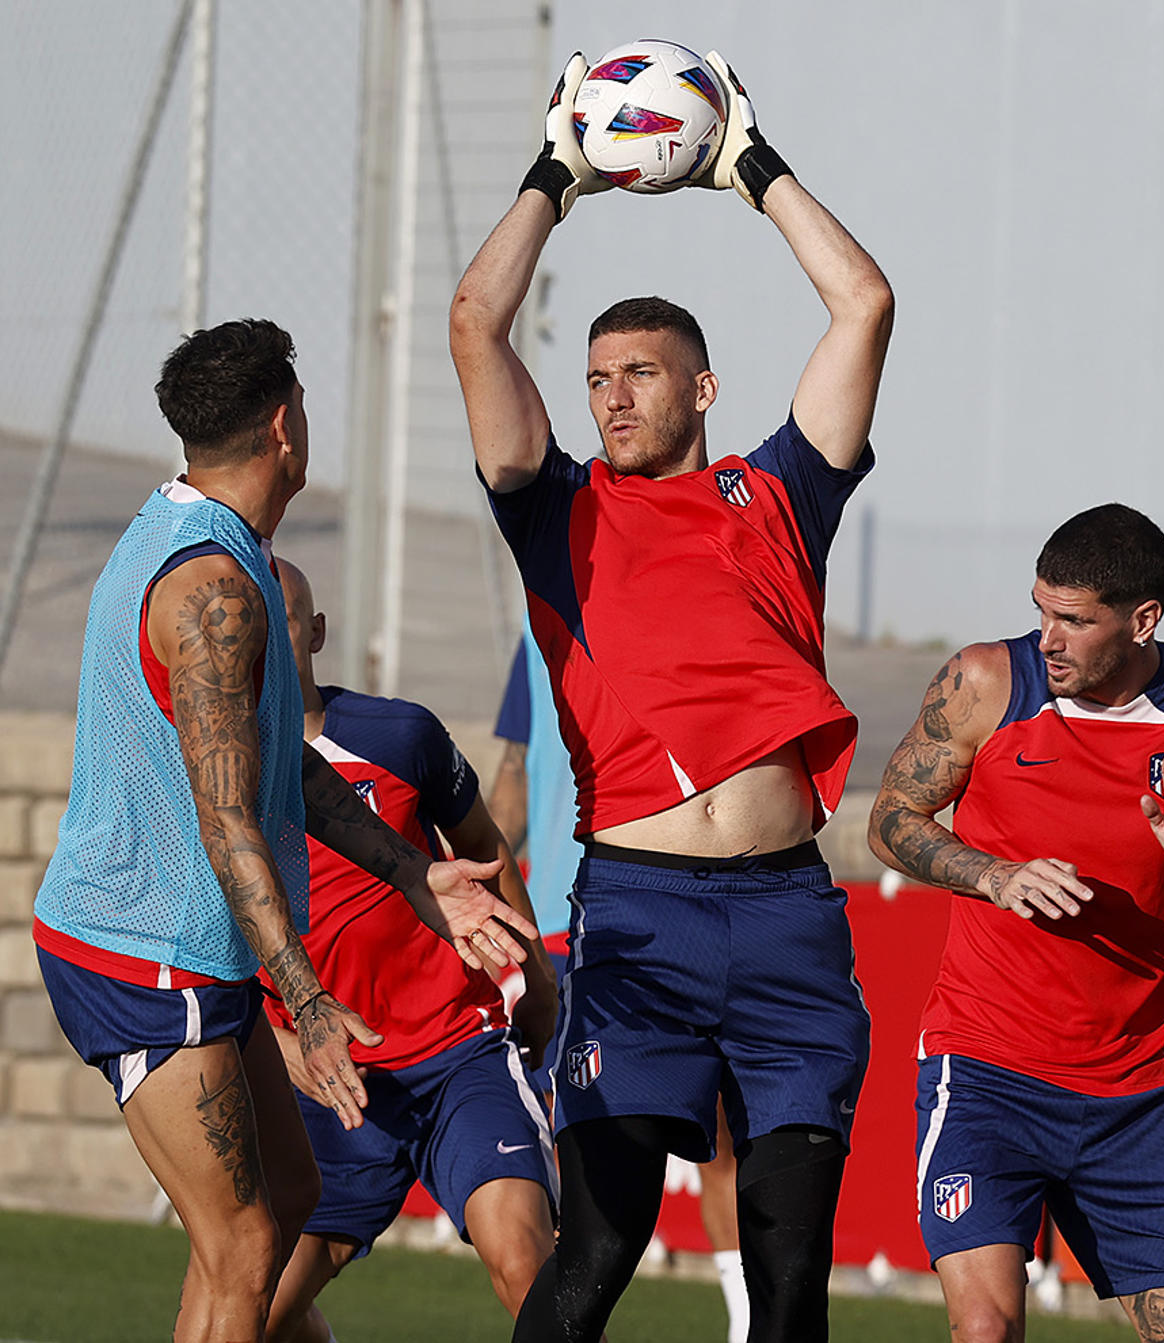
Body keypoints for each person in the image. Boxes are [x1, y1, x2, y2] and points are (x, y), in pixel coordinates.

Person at [451, 46, 893, 1343]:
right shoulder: (561, 513)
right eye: (596, 377)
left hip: (789, 917)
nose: (611, 396)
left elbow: (862, 302)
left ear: (701, 386)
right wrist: (558, 172)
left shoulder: (777, 498)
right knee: (598, 1245)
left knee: (791, 1268)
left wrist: (750, 165)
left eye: (638, 372)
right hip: (642, 916)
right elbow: (475, 321)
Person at [30, 319, 537, 1343]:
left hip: (185, 951)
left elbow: (267, 761)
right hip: (146, 962)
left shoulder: (213, 542)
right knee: (245, 1248)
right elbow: (228, 815)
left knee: (291, 1195)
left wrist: (410, 872)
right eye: (302, 402)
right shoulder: (216, 591)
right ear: (283, 427)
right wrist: (305, 998)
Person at [866, 504, 1164, 1343]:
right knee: (985, 1329)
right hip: (987, 1069)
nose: (1048, 637)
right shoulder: (986, 682)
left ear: (1143, 620)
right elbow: (889, 818)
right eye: (1041, 610)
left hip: (1132, 1091)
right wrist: (992, 873)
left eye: (1074, 620)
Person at [261, 560, 560, 1342]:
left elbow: (484, 844)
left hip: (456, 1051)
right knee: (254, 1316)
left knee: (525, 1261)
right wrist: (285, 1049)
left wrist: (537, 984)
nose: (263, 640)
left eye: (283, 619)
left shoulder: (401, 735)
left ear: (315, 632)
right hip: (331, 1080)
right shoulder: (215, 779)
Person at [491, 622, 751, 1343]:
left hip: (653, 908)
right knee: (578, 1154)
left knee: (716, 1136)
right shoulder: (537, 624)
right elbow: (514, 774)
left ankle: (741, 1324)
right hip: (567, 921)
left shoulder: (675, 609)